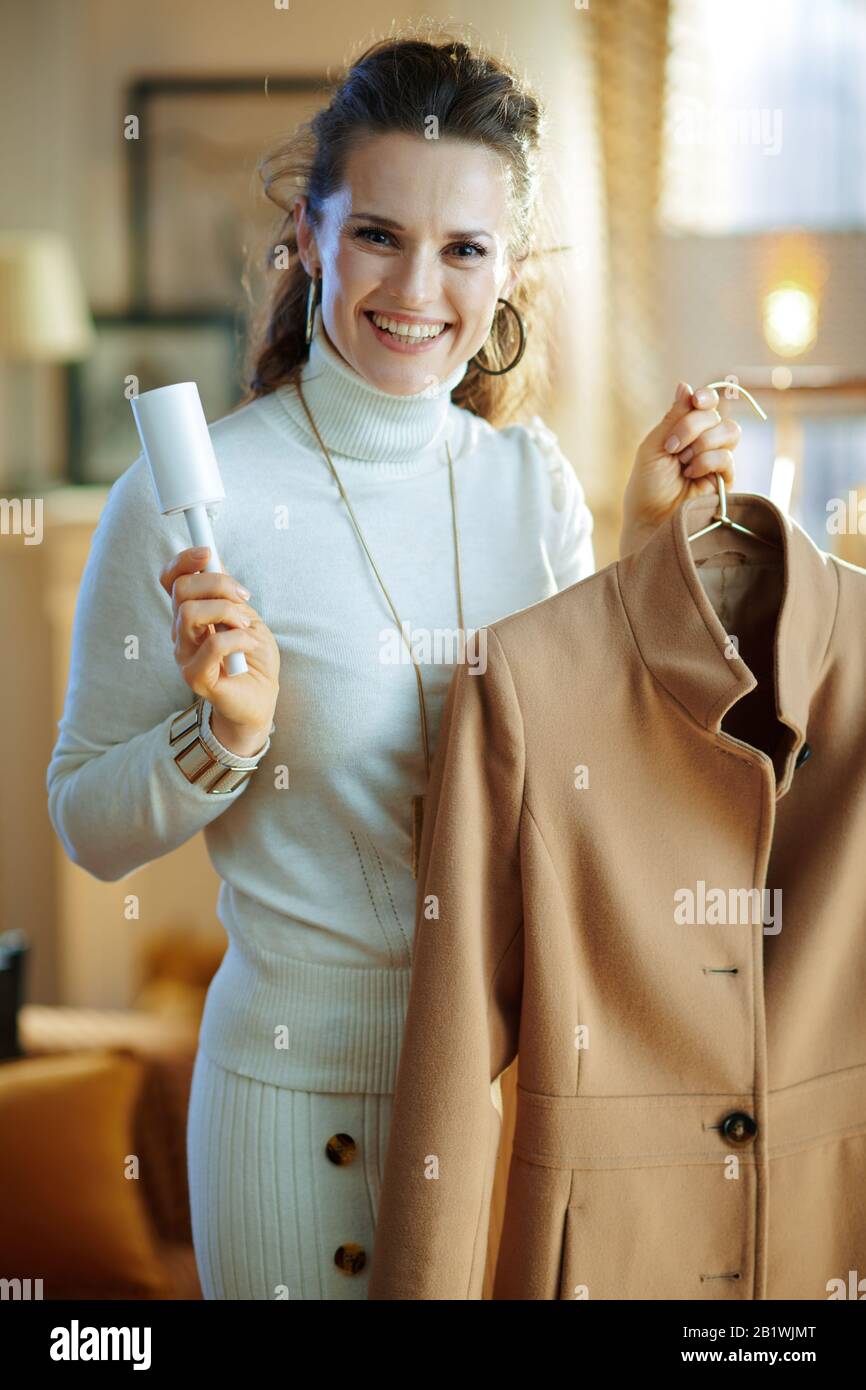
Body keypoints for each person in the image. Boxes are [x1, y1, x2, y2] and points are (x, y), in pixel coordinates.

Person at [46, 29, 741, 1300]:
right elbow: (87, 822)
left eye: (464, 247)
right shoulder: (195, 493)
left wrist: (649, 556)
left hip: (503, 1085)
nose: (416, 286)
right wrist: (224, 738)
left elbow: (586, 792)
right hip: (291, 1098)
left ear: (510, 270)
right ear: (308, 234)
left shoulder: (528, 486)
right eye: (377, 232)